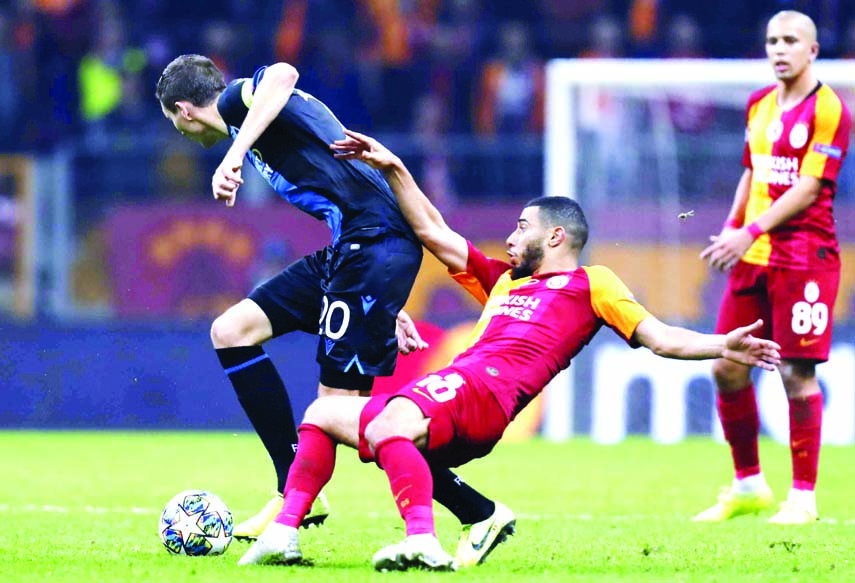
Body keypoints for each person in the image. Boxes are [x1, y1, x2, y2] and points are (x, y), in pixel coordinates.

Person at [237, 129, 782, 571]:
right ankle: (287, 533)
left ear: (555, 239)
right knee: (323, 412)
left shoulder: (593, 284)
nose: (511, 236)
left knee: (389, 427)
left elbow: (659, 337)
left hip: (486, 392)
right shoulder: (503, 282)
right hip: (463, 389)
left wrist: (720, 345)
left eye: (522, 227)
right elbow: (431, 229)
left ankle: (422, 541)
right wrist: (393, 168)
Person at [155, 55, 510, 548]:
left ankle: (478, 512)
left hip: (375, 246)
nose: (179, 132)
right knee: (232, 332)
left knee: (341, 415)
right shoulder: (257, 123)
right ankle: (291, 488)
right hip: (356, 252)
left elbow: (283, 72)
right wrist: (387, 302)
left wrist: (234, 154)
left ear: (184, 110)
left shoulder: (240, 101)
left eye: (173, 122)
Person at [695, 10, 851, 525]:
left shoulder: (831, 110)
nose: (779, 49)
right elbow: (752, 170)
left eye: (790, 41)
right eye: (771, 41)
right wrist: (732, 227)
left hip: (804, 258)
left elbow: (808, 187)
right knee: (726, 365)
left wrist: (751, 231)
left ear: (813, 50)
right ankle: (749, 485)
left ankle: (803, 498)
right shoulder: (758, 104)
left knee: (795, 373)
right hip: (753, 258)